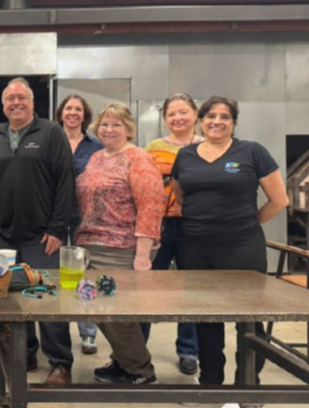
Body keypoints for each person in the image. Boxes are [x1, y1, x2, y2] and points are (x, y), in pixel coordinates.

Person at [172, 96, 288, 386]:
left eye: (225, 117)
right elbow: (180, 195)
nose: (217, 122)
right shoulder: (185, 156)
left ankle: (247, 386)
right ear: (201, 120)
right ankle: (211, 383)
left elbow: (279, 200)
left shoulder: (252, 152)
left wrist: (246, 223)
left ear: (234, 122)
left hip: (242, 246)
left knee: (248, 320)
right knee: (206, 318)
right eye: (211, 116)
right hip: (195, 247)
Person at [0, 77, 76, 385]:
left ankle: (60, 363)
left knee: (45, 299)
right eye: (10, 99)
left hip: (42, 237)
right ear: (4, 104)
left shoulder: (50, 133)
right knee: (14, 300)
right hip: (4, 236)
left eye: (22, 98)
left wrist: (57, 228)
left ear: (32, 103)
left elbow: (65, 182)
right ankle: (28, 352)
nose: (16, 103)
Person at [75, 101, 163, 385]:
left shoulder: (137, 158)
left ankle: (140, 372)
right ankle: (123, 362)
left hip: (121, 249)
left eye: (116, 124)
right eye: (104, 124)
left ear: (128, 129)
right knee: (97, 310)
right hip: (90, 246)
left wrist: (142, 256)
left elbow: (150, 207)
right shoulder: (97, 157)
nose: (109, 129)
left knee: (116, 314)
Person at [142, 93, 204, 375]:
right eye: (171, 114)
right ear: (165, 118)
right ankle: (138, 350)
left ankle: (189, 350)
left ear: (195, 114)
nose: (178, 118)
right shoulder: (153, 147)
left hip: (195, 225)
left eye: (183, 112)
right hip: (160, 224)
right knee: (146, 288)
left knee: (190, 289)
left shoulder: (208, 146)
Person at [56, 94, 104, 356]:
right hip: (55, 216)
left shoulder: (95, 146)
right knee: (56, 273)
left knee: (85, 273)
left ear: (84, 115)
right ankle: (57, 329)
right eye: (68, 108)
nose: (73, 113)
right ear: (61, 113)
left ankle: (88, 333)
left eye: (78, 109)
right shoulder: (51, 139)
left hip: (86, 217)